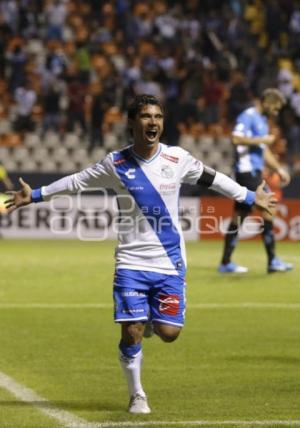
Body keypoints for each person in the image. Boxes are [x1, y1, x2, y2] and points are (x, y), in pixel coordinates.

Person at [5, 94, 276, 414]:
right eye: (146, 117)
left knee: (169, 333)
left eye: (158, 117)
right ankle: (137, 394)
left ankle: (152, 321)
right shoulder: (115, 163)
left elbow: (214, 179)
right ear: (132, 123)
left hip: (170, 260)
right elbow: (76, 182)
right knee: (131, 329)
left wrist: (248, 195)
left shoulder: (178, 159)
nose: (153, 122)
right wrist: (35, 194)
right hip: (131, 261)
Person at [218, 88, 293, 274]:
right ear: (267, 102)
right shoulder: (248, 115)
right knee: (269, 206)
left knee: (239, 217)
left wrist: (278, 169)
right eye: (275, 108)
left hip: (254, 173)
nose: (276, 113)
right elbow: (235, 138)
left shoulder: (262, 121)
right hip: (246, 172)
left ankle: (226, 263)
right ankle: (272, 261)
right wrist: (261, 139)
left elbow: (263, 149)